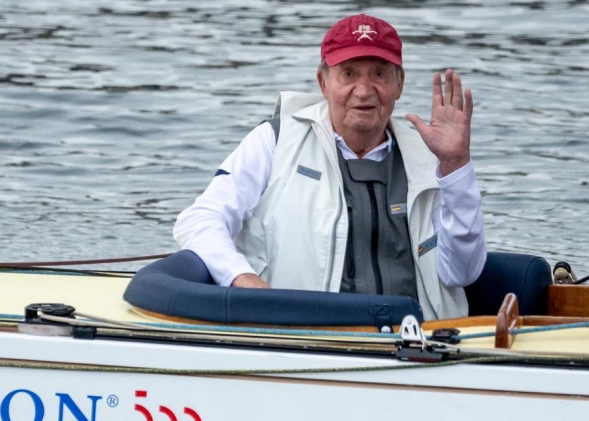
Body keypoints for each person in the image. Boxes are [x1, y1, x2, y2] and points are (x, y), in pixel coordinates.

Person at [173, 13, 486, 320]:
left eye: (378, 74)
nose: (363, 90)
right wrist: (242, 279)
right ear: (323, 82)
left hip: (421, 347)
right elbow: (199, 221)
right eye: (348, 74)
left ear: (399, 84)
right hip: (302, 340)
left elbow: (463, 272)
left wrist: (456, 167)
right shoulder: (274, 140)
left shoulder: (433, 158)